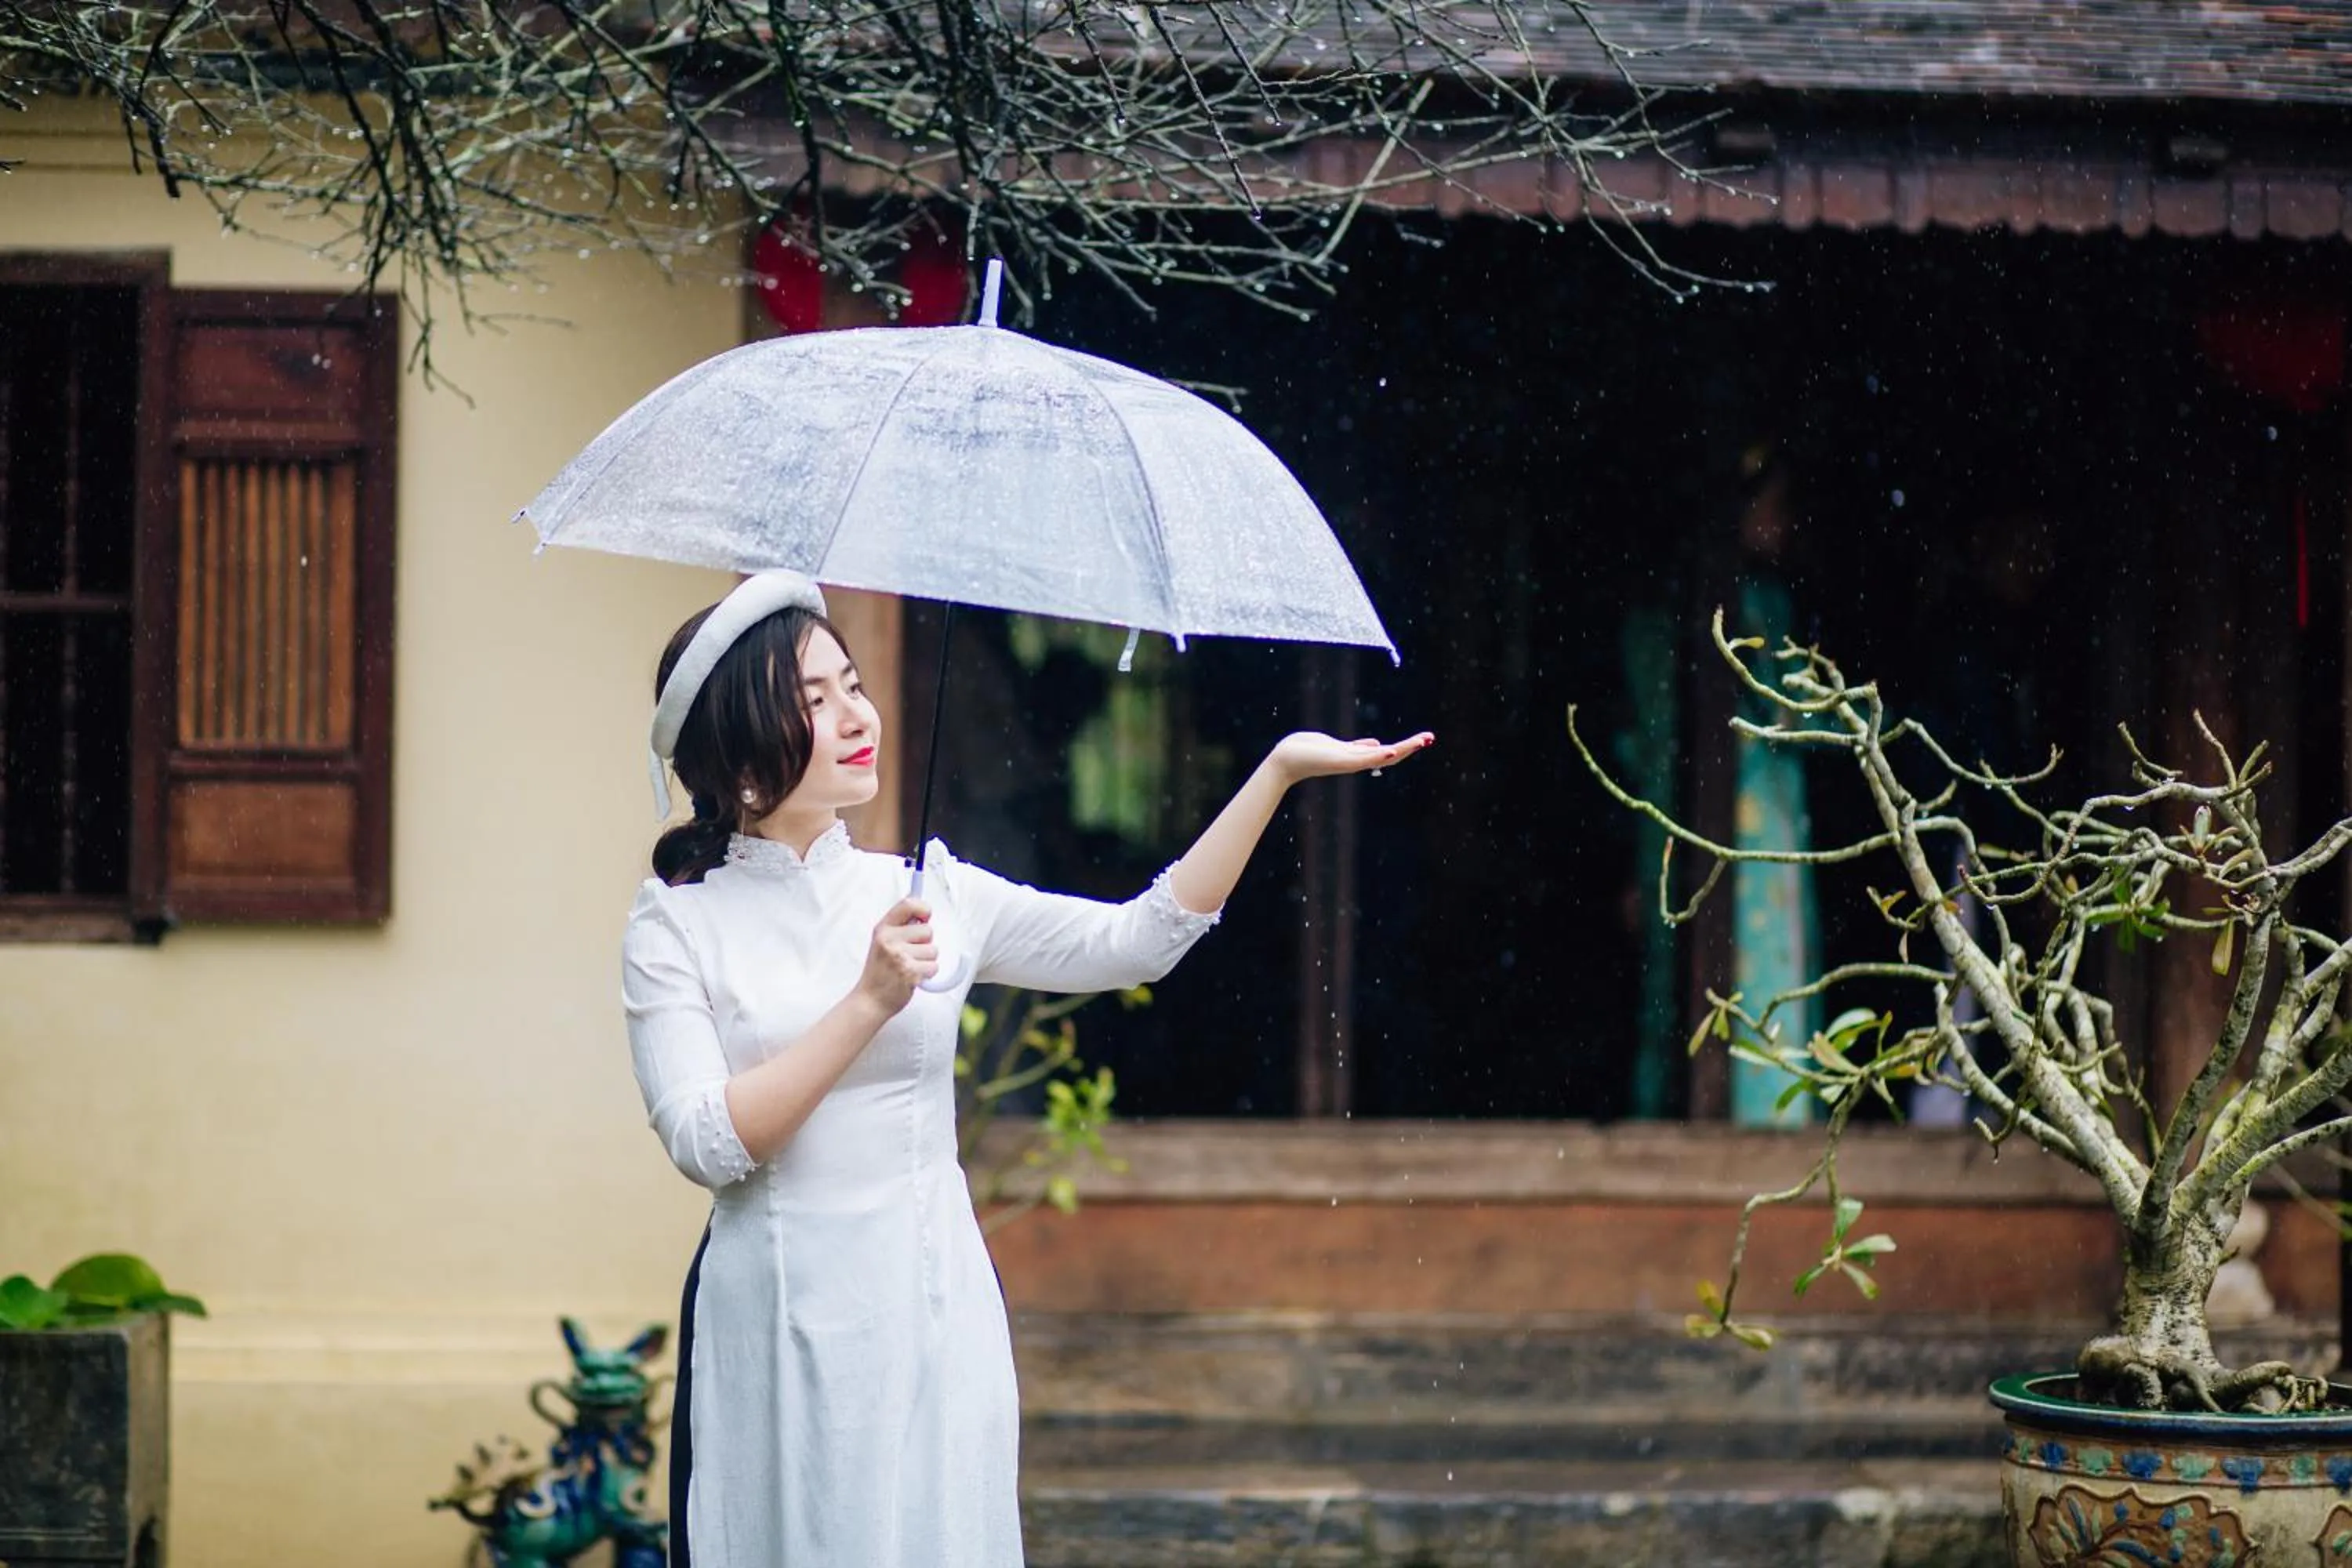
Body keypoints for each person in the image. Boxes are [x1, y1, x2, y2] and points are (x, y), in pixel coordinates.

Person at [620, 571, 1432, 1567]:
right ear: (741, 755)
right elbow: (709, 1141)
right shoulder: (678, 923)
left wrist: (1275, 774)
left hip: (932, 1304)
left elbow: (1141, 937)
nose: (854, 714)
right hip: (780, 1318)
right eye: (813, 699)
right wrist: (869, 999)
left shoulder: (929, 890)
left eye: (853, 683)